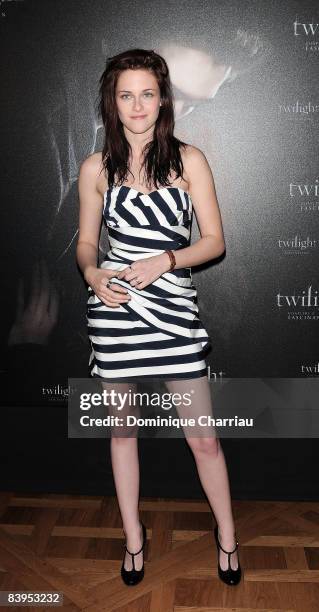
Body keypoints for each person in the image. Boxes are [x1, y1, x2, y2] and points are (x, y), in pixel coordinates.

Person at [76, 48, 242, 587]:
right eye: (126, 95)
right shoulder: (96, 168)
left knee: (204, 439)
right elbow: (84, 245)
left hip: (174, 312)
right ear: (113, 102)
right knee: (121, 435)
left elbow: (214, 243)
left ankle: (228, 538)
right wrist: (94, 275)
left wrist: (166, 259)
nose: (137, 104)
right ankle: (133, 540)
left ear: (162, 98)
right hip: (115, 313)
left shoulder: (189, 160)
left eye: (147, 93)